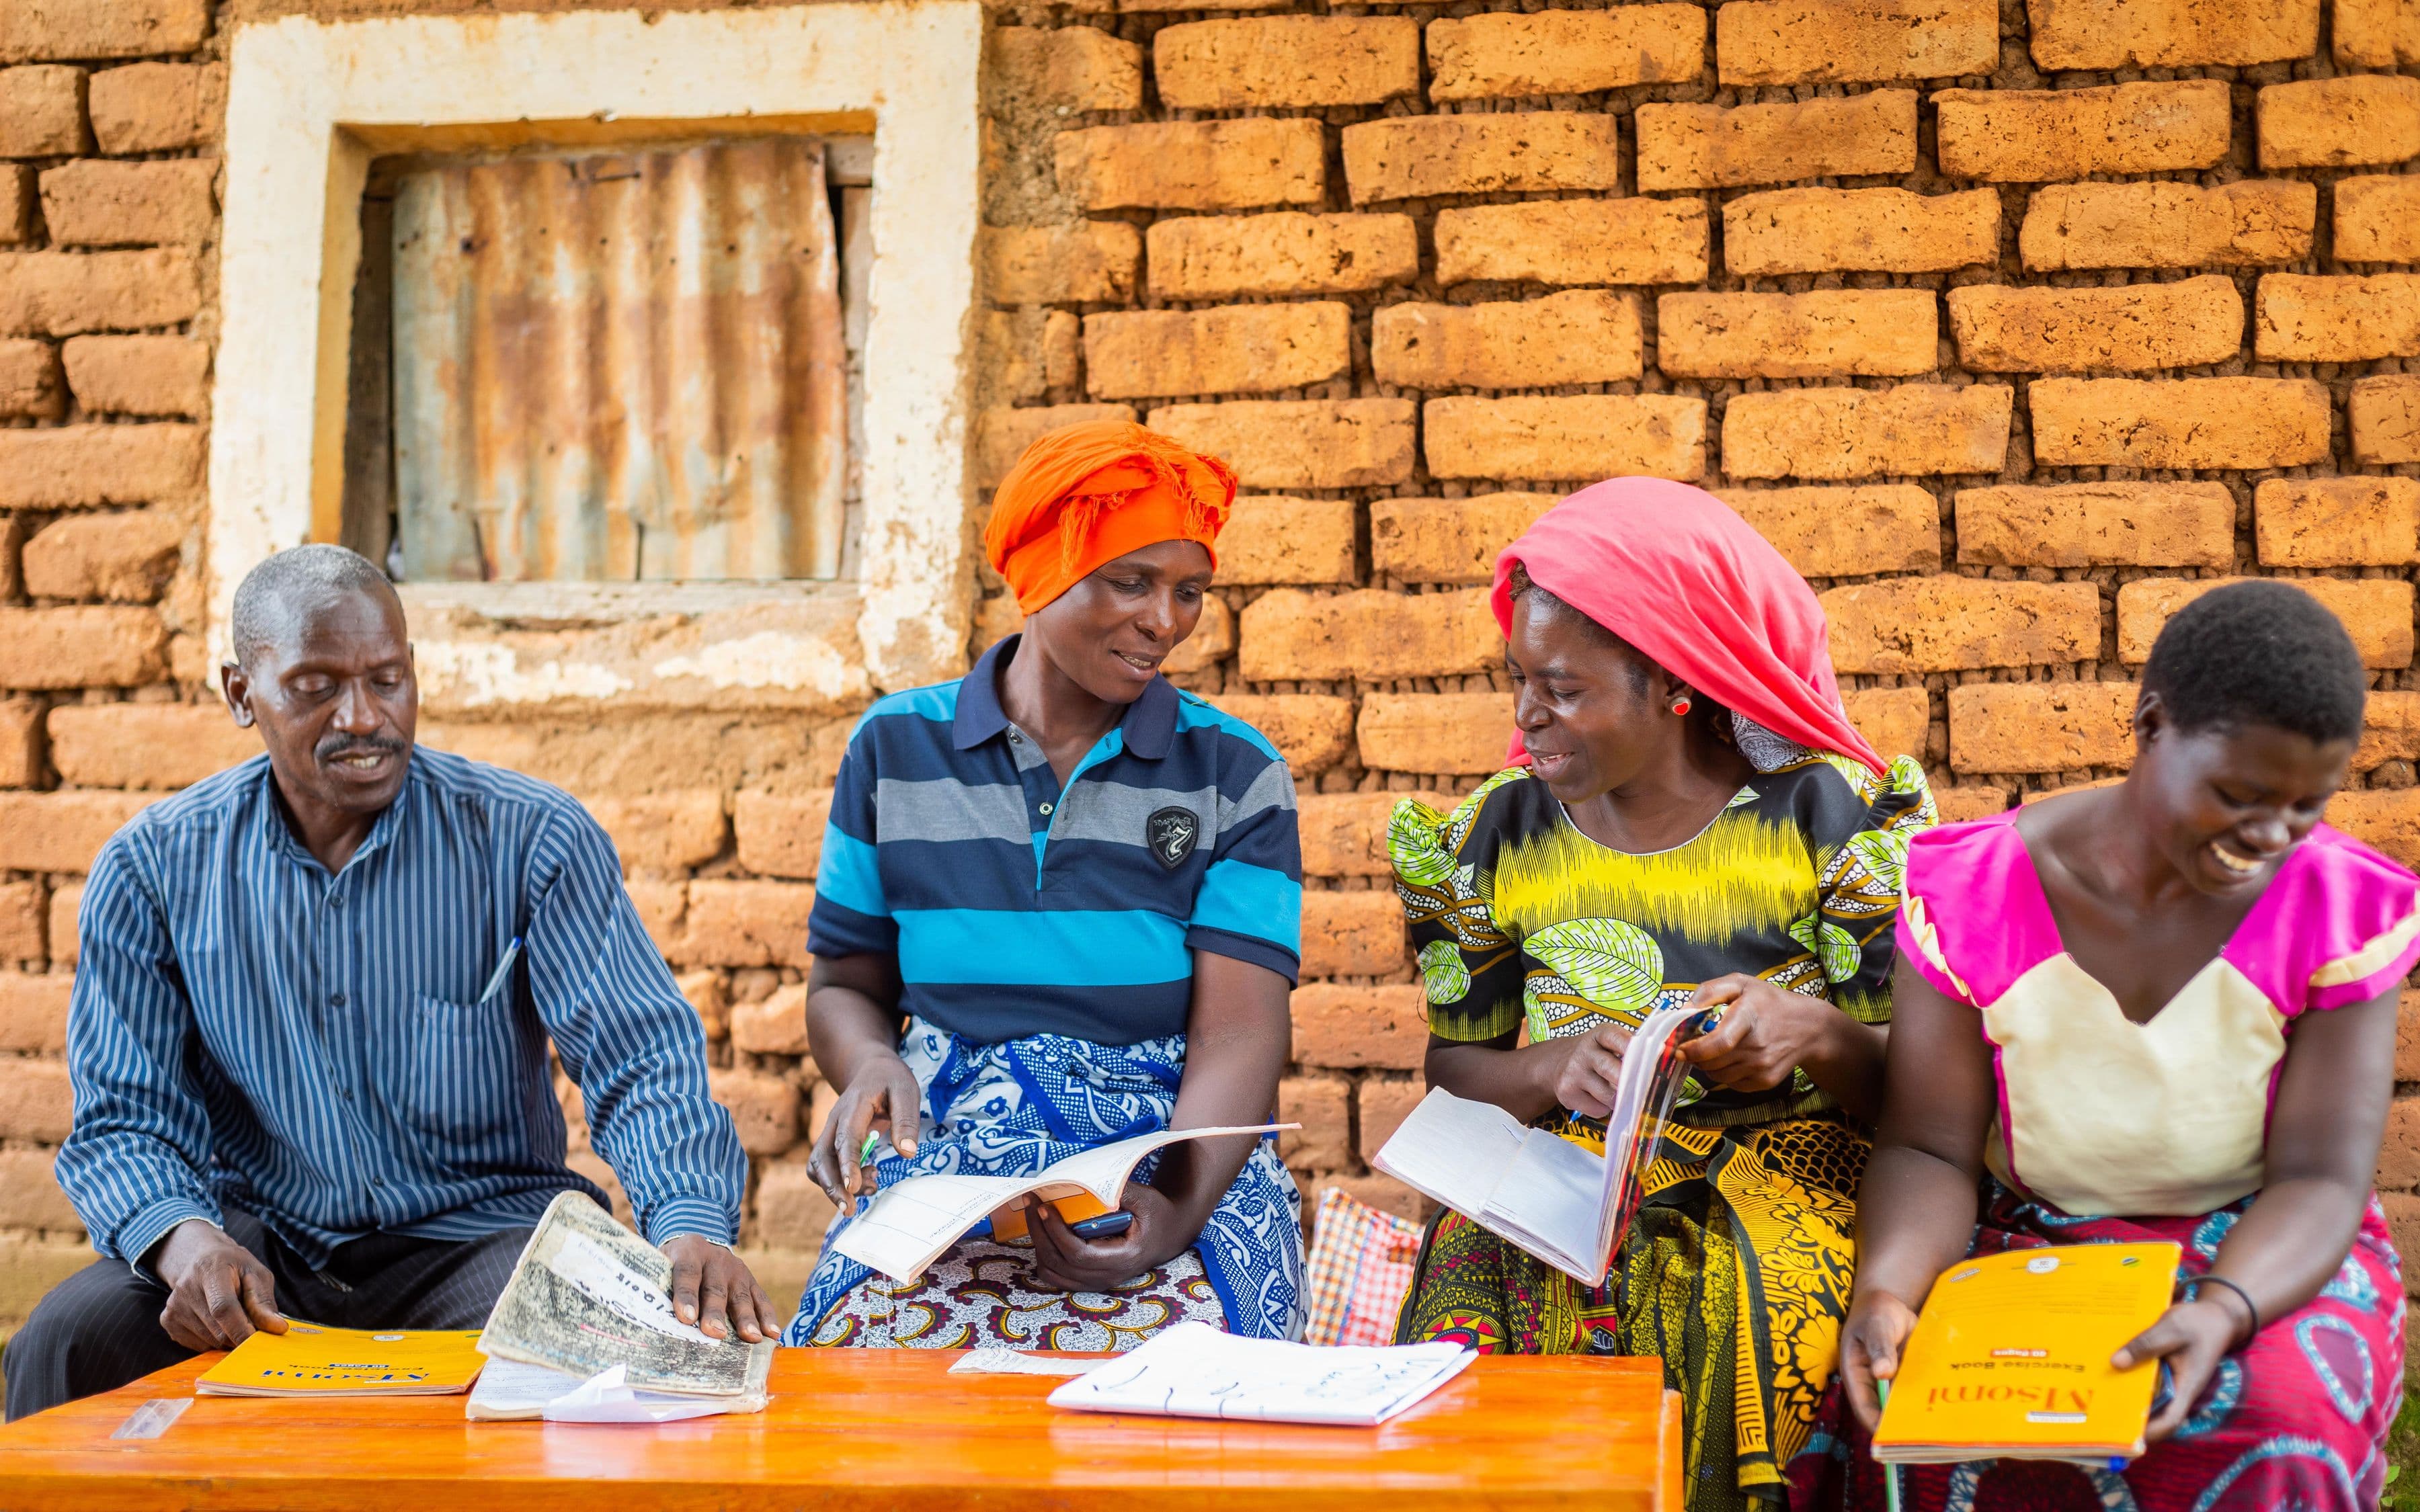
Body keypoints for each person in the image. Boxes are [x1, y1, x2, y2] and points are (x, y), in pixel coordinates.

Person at [9, 545, 766, 1420]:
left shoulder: (533, 840)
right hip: (263, 1245)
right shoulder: (152, 869)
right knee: (66, 1342)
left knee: (610, 1370)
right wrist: (186, 1242)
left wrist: (689, 1224)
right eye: (315, 685)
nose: (362, 715)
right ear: (239, 693)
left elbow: (638, 1059)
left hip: (483, 1239)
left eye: (388, 678)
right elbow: (124, 1117)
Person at [1796, 581, 2409, 1512]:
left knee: (2282, 1419)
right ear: (2151, 723)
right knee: (1919, 1421)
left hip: (2256, 1247)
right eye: (2239, 794)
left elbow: (2321, 1178)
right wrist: (1887, 1289)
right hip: (2032, 1241)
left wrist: (2223, 1307)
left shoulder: (2338, 909)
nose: (2271, 836)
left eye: (2306, 805)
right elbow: (1927, 1144)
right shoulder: (1973, 894)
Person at [1388, 478, 1937, 1511]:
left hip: (1792, 1173)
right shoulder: (1496, 837)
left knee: (1717, 1289)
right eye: (1519, 678)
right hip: (1563, 1181)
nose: (1526, 715)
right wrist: (1555, 1066)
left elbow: (1927, 1096)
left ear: (1675, 686)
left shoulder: (1830, 816)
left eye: (1563, 687)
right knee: (1471, 1284)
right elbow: (1454, 1070)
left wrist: (1808, 1033)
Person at [786, 419, 1304, 1348]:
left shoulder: (1234, 772)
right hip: (947, 1158)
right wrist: (870, 1061)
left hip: (1170, 1154)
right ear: (1040, 572)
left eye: (1190, 591)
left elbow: (1241, 1033)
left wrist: (1172, 1212)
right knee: (861, 1382)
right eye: (1130, 580)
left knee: (1189, 1411)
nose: (1165, 621)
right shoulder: (897, 751)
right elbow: (845, 984)